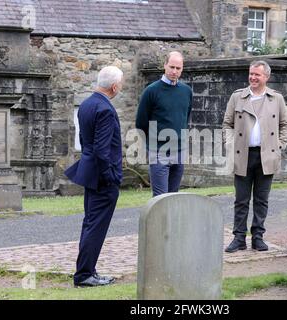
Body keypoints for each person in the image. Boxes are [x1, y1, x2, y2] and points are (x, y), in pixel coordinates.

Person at [64, 66, 124, 286]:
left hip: (90, 173)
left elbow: (85, 141)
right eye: (121, 84)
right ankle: (84, 275)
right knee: (95, 225)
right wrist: (111, 176)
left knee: (90, 223)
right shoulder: (105, 109)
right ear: (115, 86)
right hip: (102, 177)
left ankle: (88, 270)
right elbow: (102, 150)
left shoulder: (87, 104)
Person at [223, 60, 287, 253]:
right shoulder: (238, 97)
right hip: (243, 154)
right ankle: (239, 238)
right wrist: (229, 143)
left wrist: (279, 145)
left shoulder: (276, 99)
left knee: (261, 199)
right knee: (241, 199)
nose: (252, 77)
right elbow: (227, 123)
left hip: (266, 155)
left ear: (266, 77)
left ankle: (258, 237)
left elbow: (284, 125)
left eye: (257, 75)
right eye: (251, 74)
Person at [135, 51, 192, 197]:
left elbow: (185, 118)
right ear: (165, 65)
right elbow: (141, 123)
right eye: (171, 67)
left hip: (179, 151)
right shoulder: (151, 91)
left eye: (178, 68)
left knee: (173, 198)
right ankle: (157, 221)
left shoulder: (186, 91)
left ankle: (171, 222)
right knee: (160, 199)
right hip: (159, 152)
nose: (174, 71)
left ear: (182, 69)